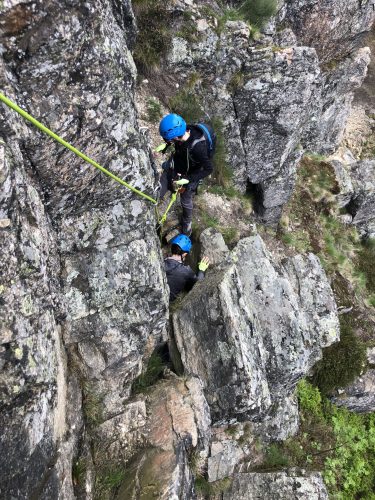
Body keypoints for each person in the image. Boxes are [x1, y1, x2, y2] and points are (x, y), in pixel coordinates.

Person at [158, 113, 214, 236]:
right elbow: (176, 140)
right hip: (178, 164)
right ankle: (155, 197)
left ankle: (187, 224)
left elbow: (209, 169)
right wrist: (166, 146)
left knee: (186, 199)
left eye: (167, 140)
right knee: (163, 182)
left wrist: (188, 179)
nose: (167, 141)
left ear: (175, 137)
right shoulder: (184, 130)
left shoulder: (198, 148)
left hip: (190, 174)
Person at [164, 234, 210, 302]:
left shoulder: (162, 262)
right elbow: (199, 284)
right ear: (185, 254)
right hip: (167, 300)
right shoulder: (186, 271)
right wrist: (201, 270)